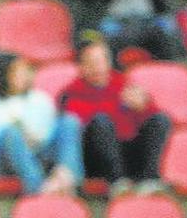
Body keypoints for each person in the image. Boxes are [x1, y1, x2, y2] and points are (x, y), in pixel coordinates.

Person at [59, 33, 170, 195]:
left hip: (128, 149)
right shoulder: (72, 93)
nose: (99, 67)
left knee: (160, 119)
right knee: (101, 122)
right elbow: (85, 123)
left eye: (103, 61)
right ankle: (117, 182)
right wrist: (120, 105)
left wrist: (143, 106)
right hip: (98, 159)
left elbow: (148, 115)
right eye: (92, 63)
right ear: (81, 67)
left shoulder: (122, 83)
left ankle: (150, 179)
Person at [0, 52, 82, 194]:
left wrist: (29, 137)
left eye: (25, 71)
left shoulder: (39, 99)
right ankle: (40, 190)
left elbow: (46, 136)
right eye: (18, 72)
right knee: (11, 133)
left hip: (37, 154)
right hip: (0, 162)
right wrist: (14, 136)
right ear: (4, 74)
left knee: (69, 122)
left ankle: (66, 178)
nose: (24, 75)